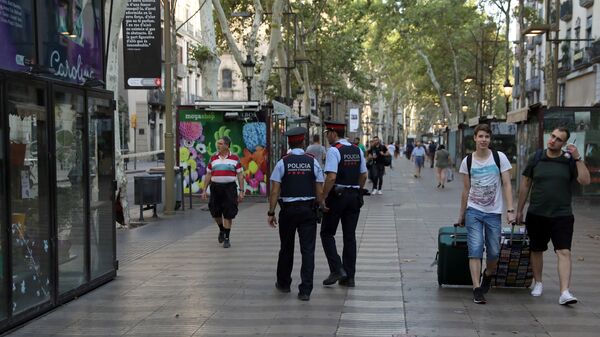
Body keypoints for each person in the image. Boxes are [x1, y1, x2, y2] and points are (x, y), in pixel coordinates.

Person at [516, 127, 590, 305]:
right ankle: (538, 282)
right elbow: (526, 184)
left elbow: (585, 180)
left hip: (562, 215)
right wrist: (518, 210)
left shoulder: (569, 161)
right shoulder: (537, 157)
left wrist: (578, 158)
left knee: (564, 251)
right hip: (537, 213)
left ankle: (564, 291)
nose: (553, 140)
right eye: (553, 136)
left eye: (558, 139)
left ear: (564, 144)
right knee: (536, 249)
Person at [458, 124, 514, 304]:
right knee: (475, 248)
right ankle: (476, 288)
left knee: (494, 253)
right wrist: (461, 215)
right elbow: (466, 190)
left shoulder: (500, 158)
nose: (483, 140)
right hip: (473, 210)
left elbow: (507, 184)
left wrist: (510, 210)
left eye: (487, 137)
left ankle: (487, 275)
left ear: (490, 139)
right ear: (474, 138)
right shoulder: (467, 161)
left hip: (493, 212)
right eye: (480, 136)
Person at [268, 127, 324, 301]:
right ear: (303, 142)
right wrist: (320, 205)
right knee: (308, 250)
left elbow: (275, 190)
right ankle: (305, 290)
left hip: (288, 211)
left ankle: (284, 283)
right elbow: (319, 188)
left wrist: (271, 212)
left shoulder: (282, 162)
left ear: (289, 142)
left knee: (286, 247)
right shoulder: (312, 161)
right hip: (308, 210)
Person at [320, 121, 368, 288]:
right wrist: (358, 191)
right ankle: (349, 277)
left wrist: (323, 197)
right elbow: (364, 174)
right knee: (350, 236)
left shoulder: (334, 150)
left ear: (334, 133)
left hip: (337, 197)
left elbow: (331, 177)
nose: (326, 137)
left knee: (326, 233)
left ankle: (337, 269)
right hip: (354, 197)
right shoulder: (357, 149)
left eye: (327, 133)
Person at [202, 136, 245, 248]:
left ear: (227, 145)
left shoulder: (235, 158)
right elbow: (208, 174)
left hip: (229, 188)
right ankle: (221, 229)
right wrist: (204, 189)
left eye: (220, 143)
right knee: (215, 212)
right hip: (215, 188)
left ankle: (227, 238)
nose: (218, 145)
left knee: (228, 213)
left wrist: (241, 191)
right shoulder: (213, 158)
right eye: (218, 143)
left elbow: (240, 175)